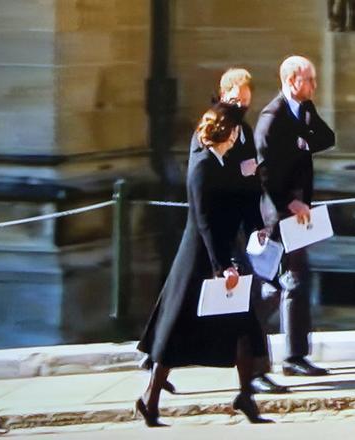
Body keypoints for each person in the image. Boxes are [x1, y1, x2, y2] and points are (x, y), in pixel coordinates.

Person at [139, 68, 289, 395]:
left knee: (240, 308)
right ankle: (156, 368)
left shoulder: (244, 133)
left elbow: (250, 185)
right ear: (223, 96)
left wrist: (256, 227)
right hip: (208, 237)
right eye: (236, 102)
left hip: (232, 232)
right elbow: (204, 198)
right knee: (181, 305)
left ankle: (249, 383)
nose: (240, 111)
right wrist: (221, 262)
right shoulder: (209, 134)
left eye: (245, 104)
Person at [254, 55, 336, 377]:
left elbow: (326, 138)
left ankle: (295, 356)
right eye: (310, 80)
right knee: (276, 286)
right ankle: (248, 343)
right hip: (279, 213)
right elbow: (263, 170)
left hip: (299, 211)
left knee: (295, 282)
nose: (315, 85)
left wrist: (304, 138)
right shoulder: (271, 118)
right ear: (292, 81)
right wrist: (290, 202)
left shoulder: (303, 110)